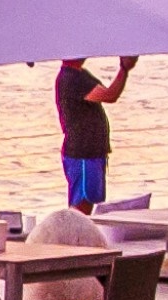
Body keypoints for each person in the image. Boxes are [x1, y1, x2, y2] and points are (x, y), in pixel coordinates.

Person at [55, 54, 135, 207]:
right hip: (83, 154)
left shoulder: (80, 75)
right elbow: (110, 95)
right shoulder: (73, 79)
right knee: (83, 206)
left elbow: (110, 93)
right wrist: (124, 69)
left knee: (91, 205)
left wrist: (124, 69)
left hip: (91, 153)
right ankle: (76, 232)